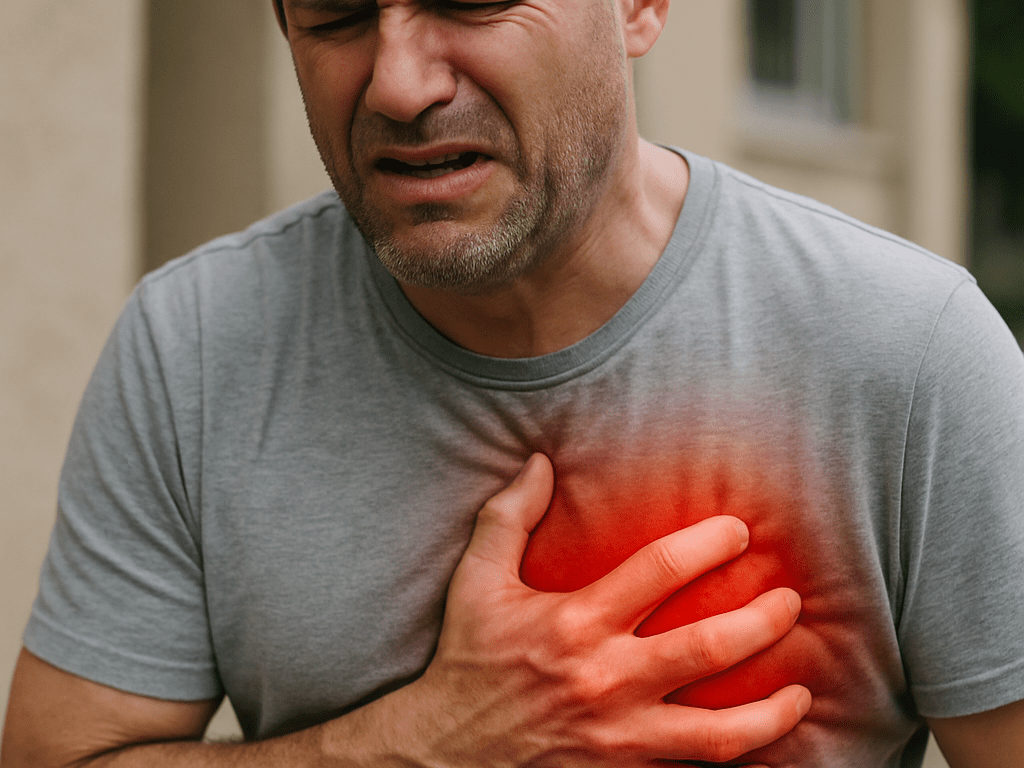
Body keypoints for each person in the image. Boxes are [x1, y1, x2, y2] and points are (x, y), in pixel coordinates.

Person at [3, 0, 1023, 765]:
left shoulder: (909, 352)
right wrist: (418, 743)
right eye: (337, 14)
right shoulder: (194, 346)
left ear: (638, 7)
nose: (398, 84)